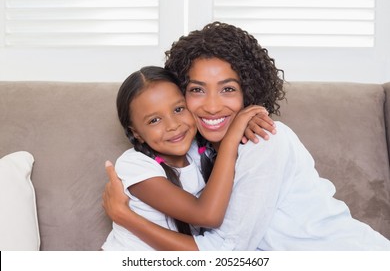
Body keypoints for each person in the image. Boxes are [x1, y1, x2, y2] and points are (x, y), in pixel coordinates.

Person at [103, 22, 390, 250]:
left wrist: (125, 216)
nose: (212, 105)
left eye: (228, 89)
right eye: (197, 90)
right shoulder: (201, 149)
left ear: (248, 92)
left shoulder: (265, 140)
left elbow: (225, 252)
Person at [101, 66, 270, 250]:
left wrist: (246, 123)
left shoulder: (199, 151)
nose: (173, 125)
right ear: (137, 133)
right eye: (154, 120)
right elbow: (208, 215)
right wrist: (232, 136)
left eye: (179, 109)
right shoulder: (135, 166)